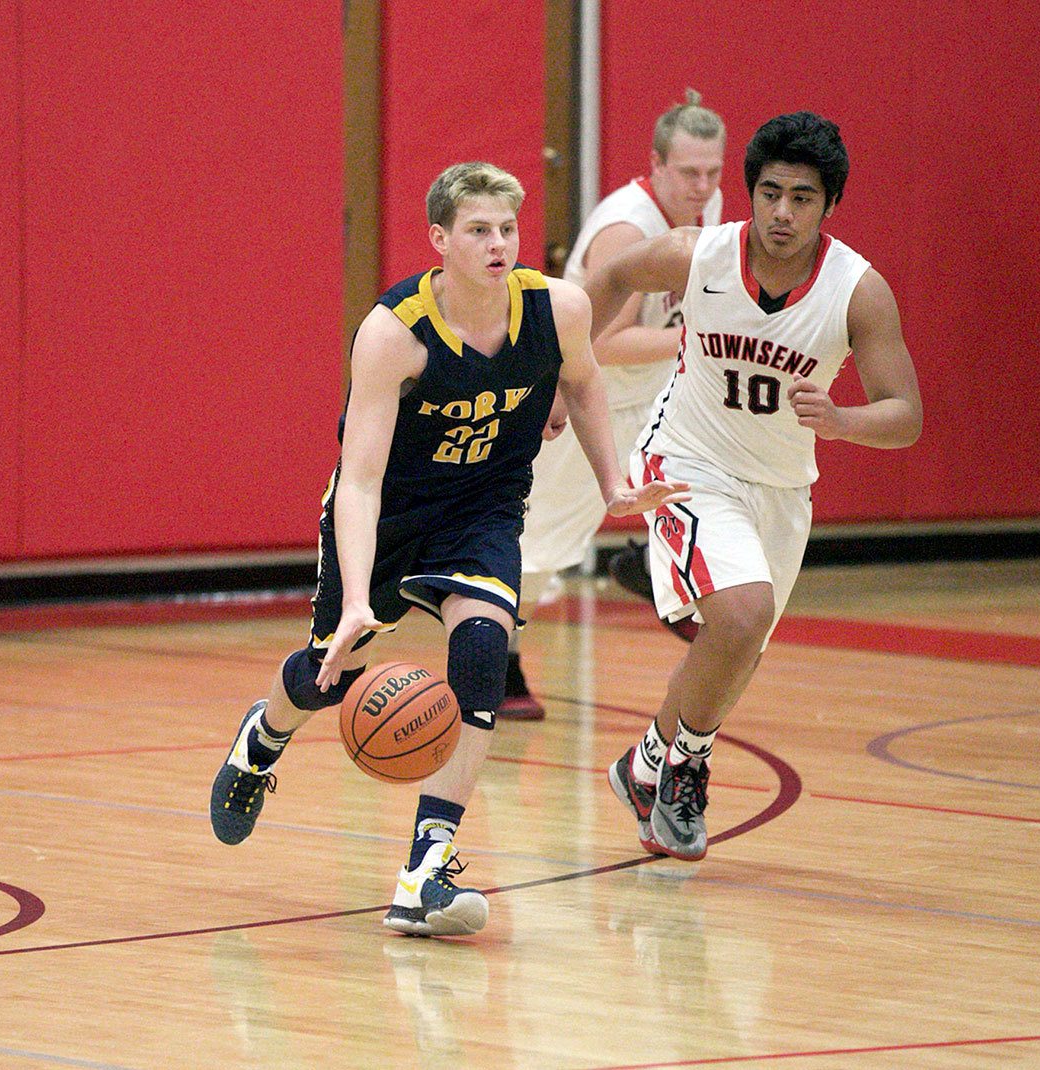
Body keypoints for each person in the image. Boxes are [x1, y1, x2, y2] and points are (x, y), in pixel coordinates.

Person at [208, 162, 687, 937]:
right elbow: (358, 483)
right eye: (478, 231)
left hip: (483, 511)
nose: (498, 244)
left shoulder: (558, 308)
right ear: (440, 240)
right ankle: (262, 738)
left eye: (507, 229)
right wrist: (361, 599)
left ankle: (426, 866)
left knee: (481, 654)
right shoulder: (395, 333)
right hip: (389, 515)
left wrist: (614, 485)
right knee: (331, 676)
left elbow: (588, 383)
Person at [590, 112, 923, 860]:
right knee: (741, 617)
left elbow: (906, 416)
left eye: (801, 198)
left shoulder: (858, 290)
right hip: (685, 462)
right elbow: (608, 279)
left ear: (829, 205)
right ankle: (685, 770)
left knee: (734, 648)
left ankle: (643, 765)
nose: (781, 212)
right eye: (769, 192)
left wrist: (841, 420)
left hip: (780, 489)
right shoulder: (699, 253)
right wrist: (562, 376)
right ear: (749, 194)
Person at [500, 92, 726, 720]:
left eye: (713, 172)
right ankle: (496, 656)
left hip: (658, 400)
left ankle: (656, 568)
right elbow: (606, 341)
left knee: (714, 485)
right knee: (543, 543)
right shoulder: (628, 228)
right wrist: (702, 336)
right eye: (688, 173)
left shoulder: (708, 212)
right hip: (584, 400)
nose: (703, 186)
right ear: (655, 165)